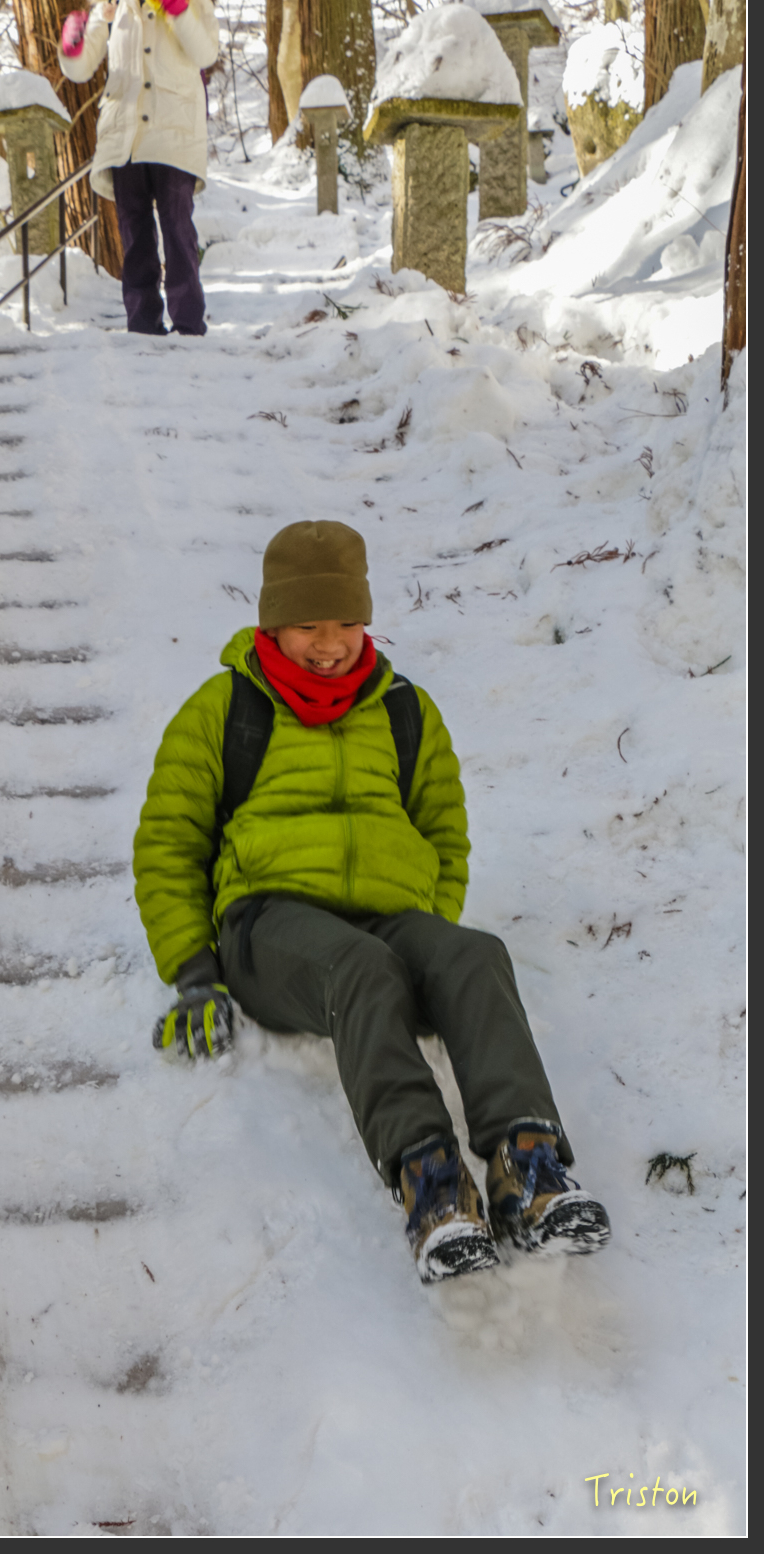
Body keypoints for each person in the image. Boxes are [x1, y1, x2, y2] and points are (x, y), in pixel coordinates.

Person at [133, 521, 612, 1285]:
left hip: (391, 914)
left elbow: (443, 831)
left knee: (474, 954)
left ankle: (529, 1167)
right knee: (358, 967)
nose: (329, 644)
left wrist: (431, 942)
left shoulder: (403, 710)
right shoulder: (222, 710)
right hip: (270, 924)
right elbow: (167, 843)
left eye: (347, 623)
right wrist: (195, 971)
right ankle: (431, 1184)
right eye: (307, 626)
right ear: (269, 624)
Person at [57, 0, 220, 338]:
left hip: (173, 132)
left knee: (177, 231)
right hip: (125, 135)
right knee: (135, 238)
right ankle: (143, 325)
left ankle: (188, 325)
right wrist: (72, 43)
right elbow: (79, 69)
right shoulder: (112, 2)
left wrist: (171, 1)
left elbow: (204, 54)